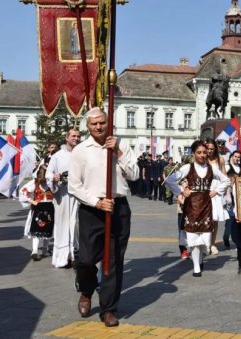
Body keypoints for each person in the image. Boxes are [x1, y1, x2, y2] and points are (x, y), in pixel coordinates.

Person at [68, 107, 140, 327]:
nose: (98, 127)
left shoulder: (122, 145)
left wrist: (117, 152)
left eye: (102, 122)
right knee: (87, 259)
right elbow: (74, 186)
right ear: (88, 126)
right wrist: (96, 201)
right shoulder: (80, 150)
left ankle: (108, 308)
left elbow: (135, 175)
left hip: (118, 208)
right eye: (94, 124)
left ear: (108, 122)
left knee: (113, 261)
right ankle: (87, 291)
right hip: (92, 209)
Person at [166, 140, 230, 277]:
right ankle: (196, 266)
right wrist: (182, 191)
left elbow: (226, 180)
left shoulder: (212, 168)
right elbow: (170, 180)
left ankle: (199, 259)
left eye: (204, 153)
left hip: (206, 204)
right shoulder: (188, 168)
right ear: (193, 153)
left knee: (204, 235)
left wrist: (217, 191)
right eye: (199, 152)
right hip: (192, 205)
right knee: (193, 235)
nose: (202, 155)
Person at [46, 129, 81, 269]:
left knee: (76, 224)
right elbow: (49, 174)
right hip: (63, 195)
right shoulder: (57, 156)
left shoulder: (82, 154)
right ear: (66, 138)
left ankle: (75, 255)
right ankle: (62, 257)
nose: (76, 138)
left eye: (78, 136)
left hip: (78, 196)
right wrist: (53, 178)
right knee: (62, 224)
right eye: (73, 136)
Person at [20, 164, 53, 261]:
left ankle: (44, 250)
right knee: (37, 229)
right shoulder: (34, 183)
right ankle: (35, 251)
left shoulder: (51, 182)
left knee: (47, 229)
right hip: (39, 208)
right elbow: (23, 192)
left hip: (49, 208)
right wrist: (33, 201)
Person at [205, 138, 228, 255]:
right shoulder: (202, 159)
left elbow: (224, 176)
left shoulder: (220, 160)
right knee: (206, 218)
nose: (209, 151)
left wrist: (224, 191)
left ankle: (212, 244)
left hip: (217, 190)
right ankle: (206, 243)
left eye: (212, 149)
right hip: (205, 190)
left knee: (215, 219)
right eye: (208, 149)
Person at [223, 150, 241, 249]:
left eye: (239, 157)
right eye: (235, 156)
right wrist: (230, 181)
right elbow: (222, 180)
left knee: (237, 220)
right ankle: (226, 237)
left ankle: (236, 239)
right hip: (229, 196)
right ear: (231, 157)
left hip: (239, 196)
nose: (237, 158)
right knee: (230, 221)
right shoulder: (227, 167)